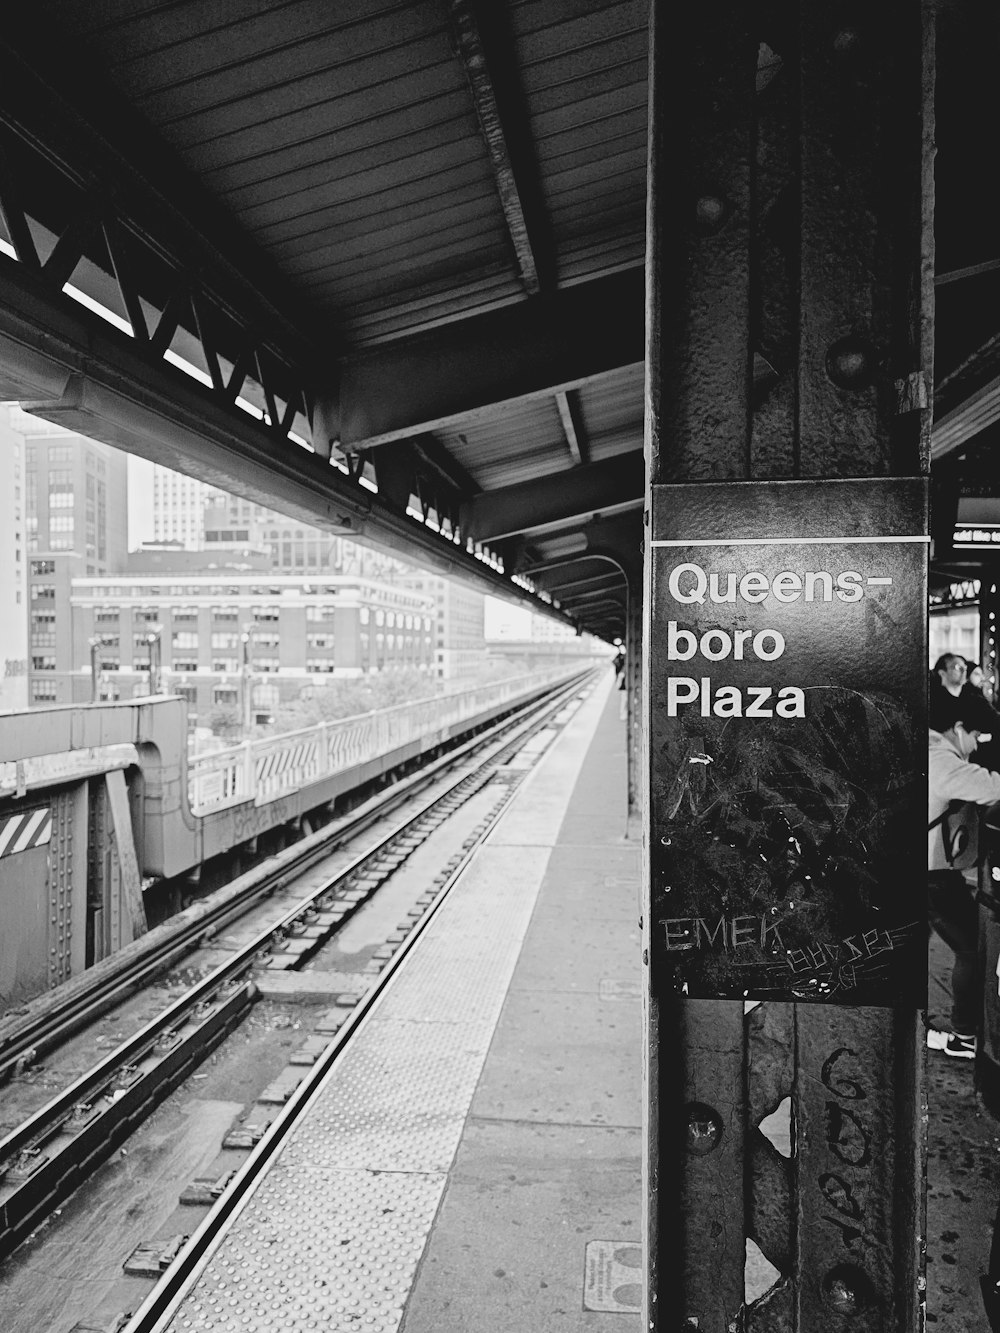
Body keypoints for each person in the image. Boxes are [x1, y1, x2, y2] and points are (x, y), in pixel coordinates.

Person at [928, 697, 1000, 1057]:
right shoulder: (943, 761)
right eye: (976, 736)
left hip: (912, 869)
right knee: (971, 951)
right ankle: (964, 1035)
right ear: (958, 729)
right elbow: (993, 787)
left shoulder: (925, 744)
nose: (977, 744)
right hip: (932, 878)